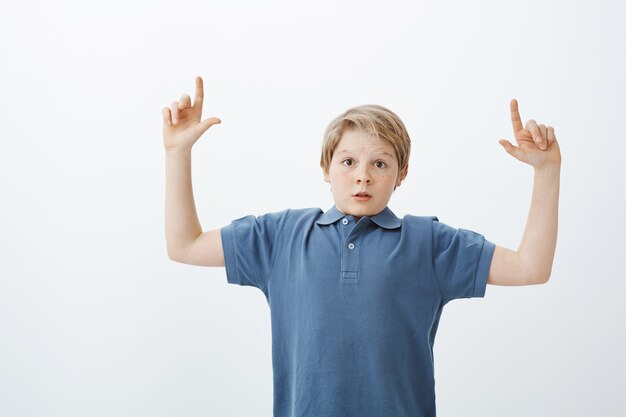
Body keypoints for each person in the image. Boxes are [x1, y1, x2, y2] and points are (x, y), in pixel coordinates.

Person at [163, 76, 561, 417]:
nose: (363, 178)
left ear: (401, 173)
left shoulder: (429, 243)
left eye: (380, 164)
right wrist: (177, 153)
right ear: (326, 168)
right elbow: (185, 245)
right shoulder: (281, 236)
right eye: (348, 162)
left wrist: (546, 171)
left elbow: (530, 267)